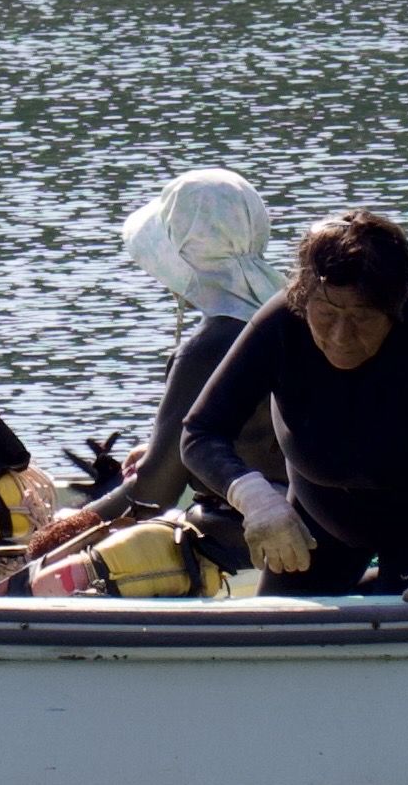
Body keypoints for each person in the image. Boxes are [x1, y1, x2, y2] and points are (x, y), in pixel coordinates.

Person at [179, 211, 408, 634]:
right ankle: (369, 583)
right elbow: (200, 433)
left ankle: (389, 581)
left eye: (362, 317)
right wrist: (257, 500)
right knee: (275, 631)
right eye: (326, 313)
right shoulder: (281, 322)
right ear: (303, 300)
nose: (340, 336)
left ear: (395, 308)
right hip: (320, 511)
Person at [91, 167, 290, 529]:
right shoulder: (292, 316)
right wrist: (165, 451)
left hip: (250, 530)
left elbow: (153, 494)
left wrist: (70, 523)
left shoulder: (207, 349)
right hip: (313, 514)